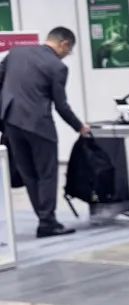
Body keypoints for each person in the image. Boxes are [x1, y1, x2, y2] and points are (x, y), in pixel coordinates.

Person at [0, 27, 92, 237]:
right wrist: (79, 126)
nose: (67, 55)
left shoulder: (16, 53)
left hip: (11, 122)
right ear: (64, 44)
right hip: (39, 126)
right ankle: (47, 222)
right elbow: (61, 105)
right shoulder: (57, 67)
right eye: (69, 51)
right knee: (47, 174)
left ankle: (44, 219)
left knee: (28, 174)